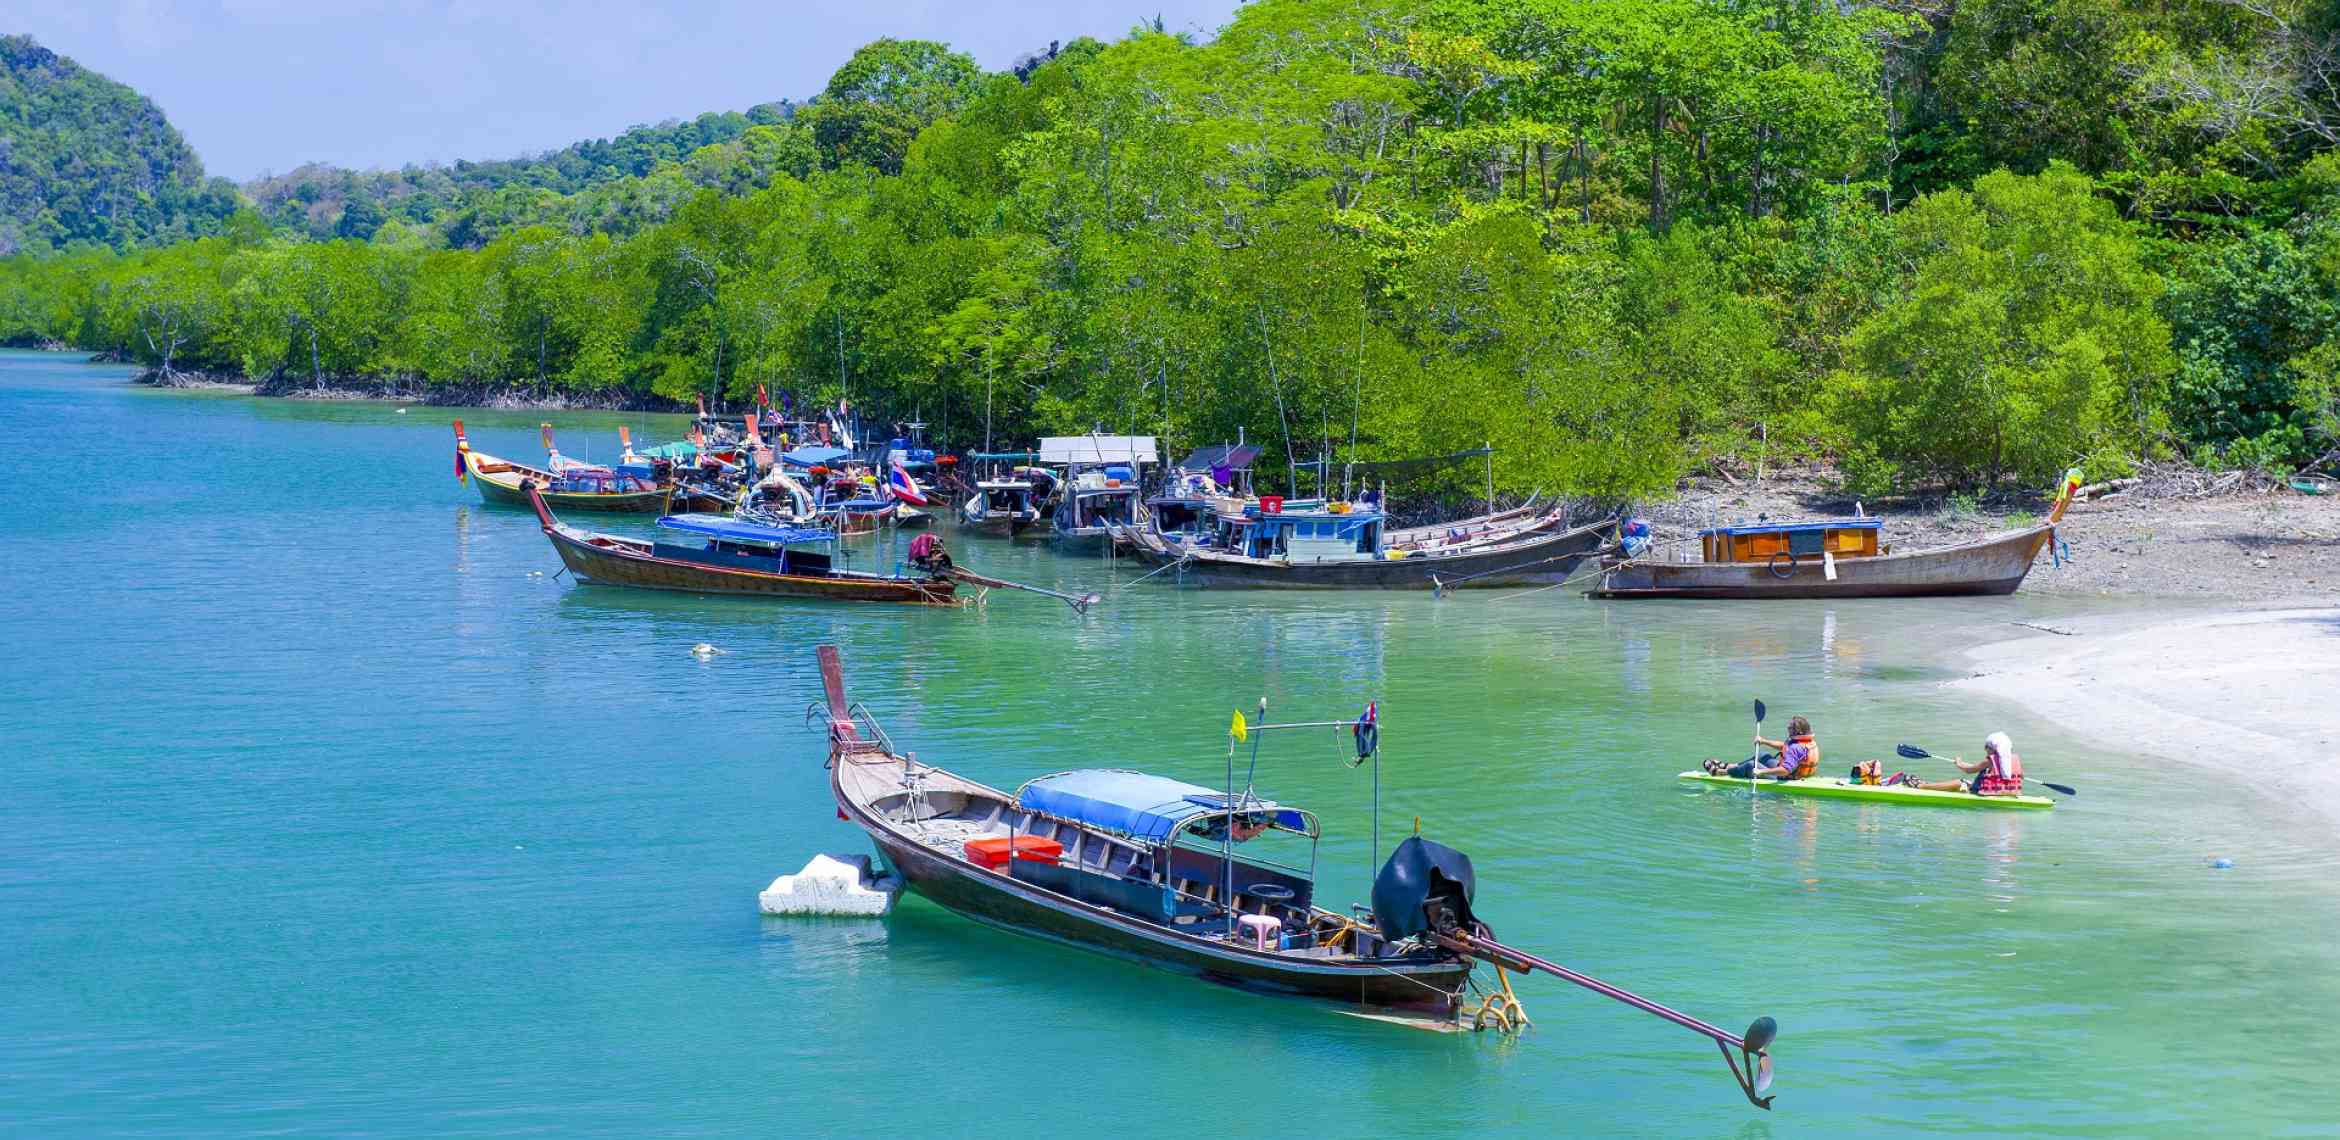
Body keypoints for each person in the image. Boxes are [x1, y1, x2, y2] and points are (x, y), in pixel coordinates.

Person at [1702, 716, 1819, 781]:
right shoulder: (1804, 741)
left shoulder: (1796, 747)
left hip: (1787, 777)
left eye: (1790, 728)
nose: (1788, 730)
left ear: (1797, 731)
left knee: (1751, 765)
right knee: (1763, 756)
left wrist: (1761, 771)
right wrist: (1764, 741)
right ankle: (1731, 766)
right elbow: (1784, 747)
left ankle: (1722, 772)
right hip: (1793, 772)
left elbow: (1785, 770)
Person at [1907, 732, 2025, 796]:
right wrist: (1964, 764)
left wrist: (1958, 763)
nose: (1985, 749)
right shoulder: (2014, 759)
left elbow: (1969, 770)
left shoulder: (1990, 760)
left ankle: (1921, 786)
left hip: (1989, 793)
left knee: (1960, 782)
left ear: (1993, 748)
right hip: (2010, 792)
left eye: (1986, 747)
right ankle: (1928, 785)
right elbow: (2020, 776)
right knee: (1966, 784)